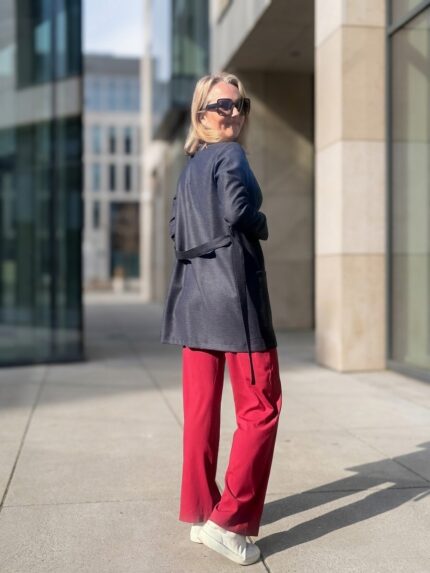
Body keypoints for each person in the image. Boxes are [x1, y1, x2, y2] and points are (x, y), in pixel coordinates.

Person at [160, 71, 283, 566]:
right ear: (201, 113)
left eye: (239, 104)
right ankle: (228, 523)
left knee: (200, 414)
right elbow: (237, 210)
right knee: (261, 408)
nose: (232, 113)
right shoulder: (231, 155)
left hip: (194, 302)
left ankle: (201, 512)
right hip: (235, 301)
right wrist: (262, 223)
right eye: (221, 105)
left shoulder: (190, 167)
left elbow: (175, 230)